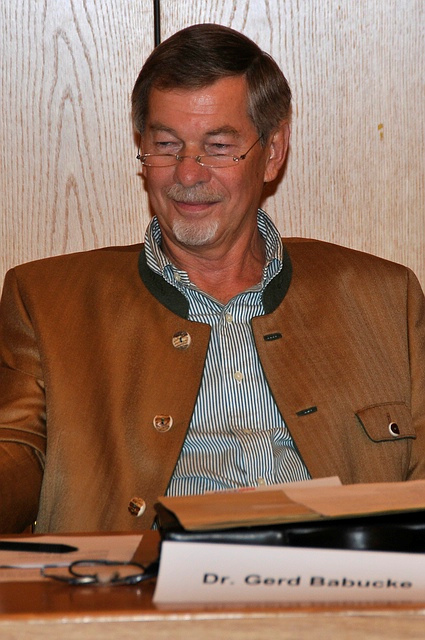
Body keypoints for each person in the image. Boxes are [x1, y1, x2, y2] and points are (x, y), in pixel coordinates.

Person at [0, 24, 424, 534]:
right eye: (166, 145)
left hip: (334, 577)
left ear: (272, 152)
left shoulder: (385, 299)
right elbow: (16, 453)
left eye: (218, 146)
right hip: (144, 579)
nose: (187, 173)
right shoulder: (48, 302)